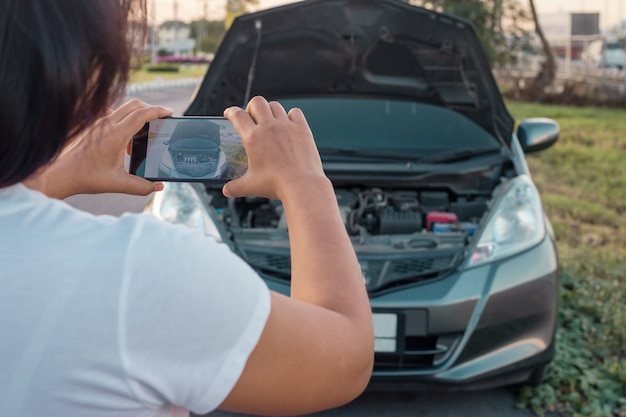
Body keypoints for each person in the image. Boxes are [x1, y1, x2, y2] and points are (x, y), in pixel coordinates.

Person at [0, 1, 374, 417]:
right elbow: (346, 358)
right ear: (74, 74)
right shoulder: (137, 271)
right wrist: (305, 180)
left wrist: (47, 179)